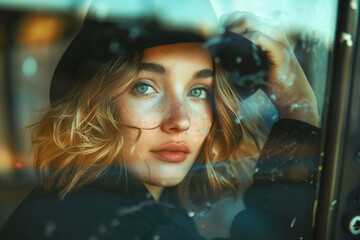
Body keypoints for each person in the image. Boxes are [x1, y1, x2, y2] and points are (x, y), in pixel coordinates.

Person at [0, 5, 320, 240]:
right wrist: (297, 106)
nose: (179, 120)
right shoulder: (95, 224)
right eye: (144, 88)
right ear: (98, 106)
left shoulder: (147, 210)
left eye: (198, 91)